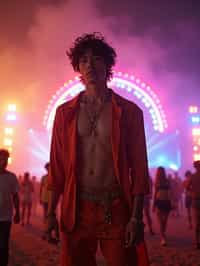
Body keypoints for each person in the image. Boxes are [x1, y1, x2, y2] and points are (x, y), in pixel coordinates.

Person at [47, 33, 150, 266]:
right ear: (78, 67)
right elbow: (57, 167)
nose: (90, 65)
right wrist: (50, 213)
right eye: (83, 60)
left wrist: (136, 217)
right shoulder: (65, 113)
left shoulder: (129, 112)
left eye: (96, 58)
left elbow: (140, 168)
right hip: (77, 209)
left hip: (115, 207)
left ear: (108, 64)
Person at [0, 149, 20, 266]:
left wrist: (18, 212)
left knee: (3, 245)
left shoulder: (11, 177)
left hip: (6, 217)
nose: (4, 161)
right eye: (2, 158)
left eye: (6, 159)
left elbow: (16, 195)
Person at [40, 162, 60, 243]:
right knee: (46, 217)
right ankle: (48, 234)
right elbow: (41, 188)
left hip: (52, 200)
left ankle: (53, 234)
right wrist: (40, 197)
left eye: (49, 168)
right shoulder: (44, 177)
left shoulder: (55, 177)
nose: (48, 169)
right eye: (47, 168)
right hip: (45, 198)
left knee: (52, 217)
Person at [153, 167, 172, 246]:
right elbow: (156, 193)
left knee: (163, 221)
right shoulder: (158, 181)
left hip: (162, 201)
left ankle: (163, 235)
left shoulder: (164, 181)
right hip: (164, 201)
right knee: (162, 221)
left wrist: (154, 204)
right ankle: (163, 237)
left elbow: (170, 192)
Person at [186, 161, 200, 249]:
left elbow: (187, 187)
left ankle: (197, 242)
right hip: (196, 200)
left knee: (197, 223)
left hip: (196, 200)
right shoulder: (193, 177)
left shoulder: (192, 177)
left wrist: (192, 192)